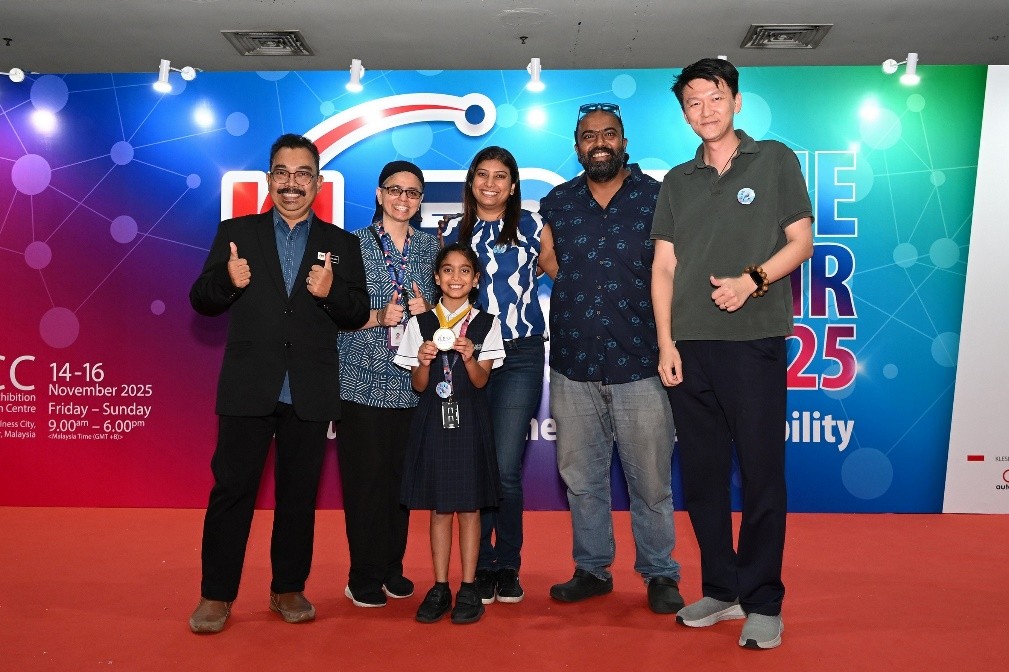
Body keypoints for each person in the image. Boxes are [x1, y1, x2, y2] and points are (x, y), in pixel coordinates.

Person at [650, 58, 813, 650]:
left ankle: (764, 600)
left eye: (714, 97)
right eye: (692, 103)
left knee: (764, 474)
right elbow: (663, 266)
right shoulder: (677, 180)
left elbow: (801, 240)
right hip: (689, 347)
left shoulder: (773, 159)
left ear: (736, 101)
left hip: (754, 343)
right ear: (684, 113)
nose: (705, 110)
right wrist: (666, 342)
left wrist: (753, 280)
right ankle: (721, 588)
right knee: (703, 480)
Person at [187, 133, 369, 634]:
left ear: (317, 182)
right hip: (249, 388)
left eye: (302, 174)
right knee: (231, 494)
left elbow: (355, 313)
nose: (292, 184)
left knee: (297, 498)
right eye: (283, 173)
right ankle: (216, 596)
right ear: (270, 179)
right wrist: (228, 280)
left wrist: (332, 295)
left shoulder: (341, 244)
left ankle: (288, 588)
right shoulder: (235, 233)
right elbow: (201, 299)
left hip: (309, 392)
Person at [538, 103, 683, 614]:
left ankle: (660, 573)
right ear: (577, 145)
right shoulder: (557, 202)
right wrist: (587, 294)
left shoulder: (659, 197)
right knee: (581, 478)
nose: (598, 142)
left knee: (650, 480)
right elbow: (550, 261)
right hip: (574, 364)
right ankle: (592, 568)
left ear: (624, 141)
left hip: (641, 361)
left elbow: (675, 267)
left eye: (608, 134)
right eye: (588, 136)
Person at [441, 146, 556, 605]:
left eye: (500, 176)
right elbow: (444, 290)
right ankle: (479, 567)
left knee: (505, 467)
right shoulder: (451, 229)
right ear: (471, 182)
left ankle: (506, 564)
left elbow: (561, 275)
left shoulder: (532, 225)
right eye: (482, 175)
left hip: (520, 353)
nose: (490, 184)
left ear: (512, 185)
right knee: (476, 465)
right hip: (467, 354)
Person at [337, 161, 439, 608]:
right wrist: (378, 316)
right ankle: (362, 573)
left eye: (413, 192)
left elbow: (445, 319)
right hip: (361, 379)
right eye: (395, 190)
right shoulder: (351, 244)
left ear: (420, 201)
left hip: (411, 382)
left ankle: (391, 568)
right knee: (365, 482)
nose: (403, 198)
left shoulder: (433, 248)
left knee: (401, 484)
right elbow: (335, 309)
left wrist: (425, 311)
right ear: (379, 194)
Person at [394, 243, 505, 625]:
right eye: (447, 270)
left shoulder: (488, 324)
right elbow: (420, 385)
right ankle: (440, 586)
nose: (455, 278)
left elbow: (480, 381)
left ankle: (470, 586)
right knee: (441, 508)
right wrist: (424, 361)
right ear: (437, 277)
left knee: (470, 507)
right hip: (433, 419)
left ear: (475, 280)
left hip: (470, 419)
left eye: (464, 271)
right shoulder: (420, 324)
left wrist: (471, 356)